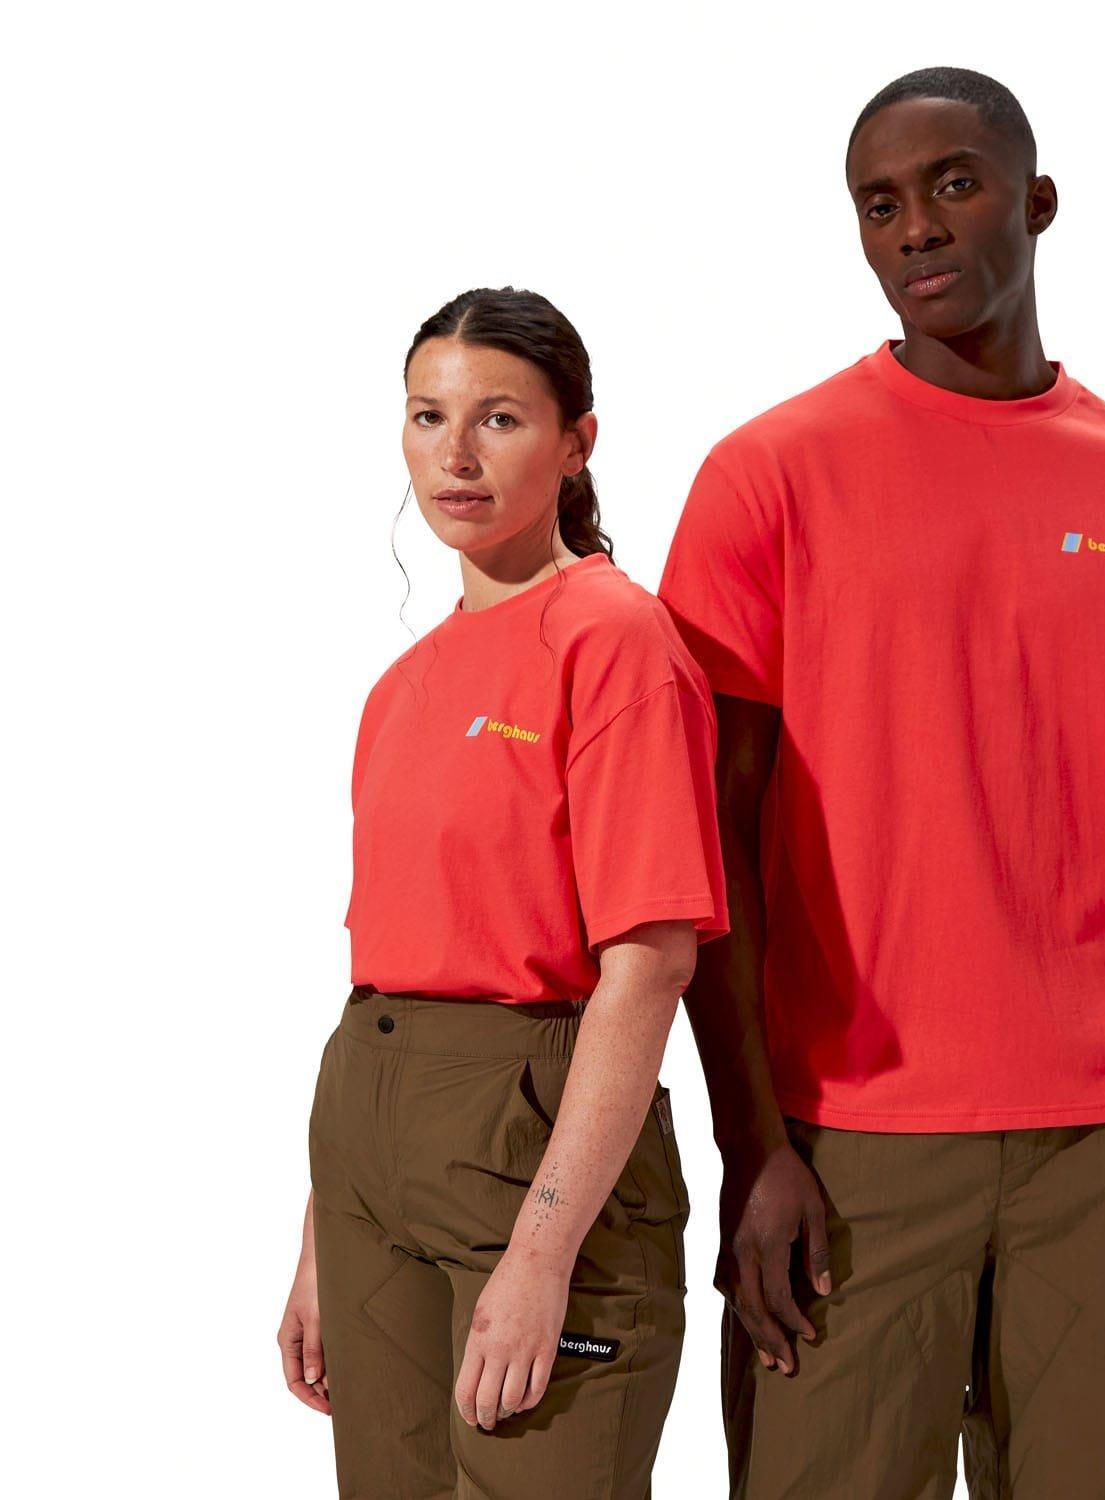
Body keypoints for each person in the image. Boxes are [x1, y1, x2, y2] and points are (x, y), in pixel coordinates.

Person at [657, 68, 1105, 1499]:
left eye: (953, 185)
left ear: (1036, 202)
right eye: (879, 204)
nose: (917, 228)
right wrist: (752, 1143)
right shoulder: (769, 476)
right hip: (848, 1148)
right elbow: (712, 838)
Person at [277, 286, 729, 1499]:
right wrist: (324, 1233)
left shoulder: (613, 640)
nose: (456, 455)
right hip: (369, 1138)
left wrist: (545, 1252)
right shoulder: (403, 686)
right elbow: (391, 971)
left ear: (578, 443)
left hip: (533, 1135)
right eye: (428, 417)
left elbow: (650, 963)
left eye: (500, 419)